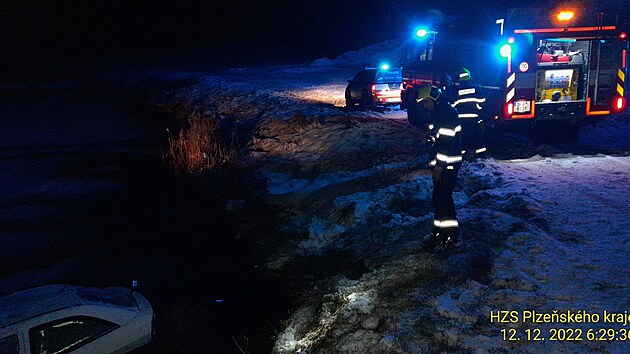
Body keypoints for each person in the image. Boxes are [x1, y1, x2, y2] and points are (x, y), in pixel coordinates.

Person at [416, 85, 463, 252]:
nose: (424, 106)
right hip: (443, 164)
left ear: (434, 99)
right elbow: (439, 138)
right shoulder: (440, 113)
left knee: (444, 199)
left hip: (447, 164)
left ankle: (452, 237)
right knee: (438, 198)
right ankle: (438, 232)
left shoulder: (447, 115)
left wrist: (440, 167)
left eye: (426, 102)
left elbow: (447, 144)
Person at [451, 68, 487, 161]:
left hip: (462, 119)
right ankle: (481, 156)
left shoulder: (456, 90)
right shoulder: (476, 87)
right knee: (477, 137)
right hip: (474, 118)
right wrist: (478, 110)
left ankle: (463, 155)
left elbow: (453, 105)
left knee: (463, 138)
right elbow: (482, 101)